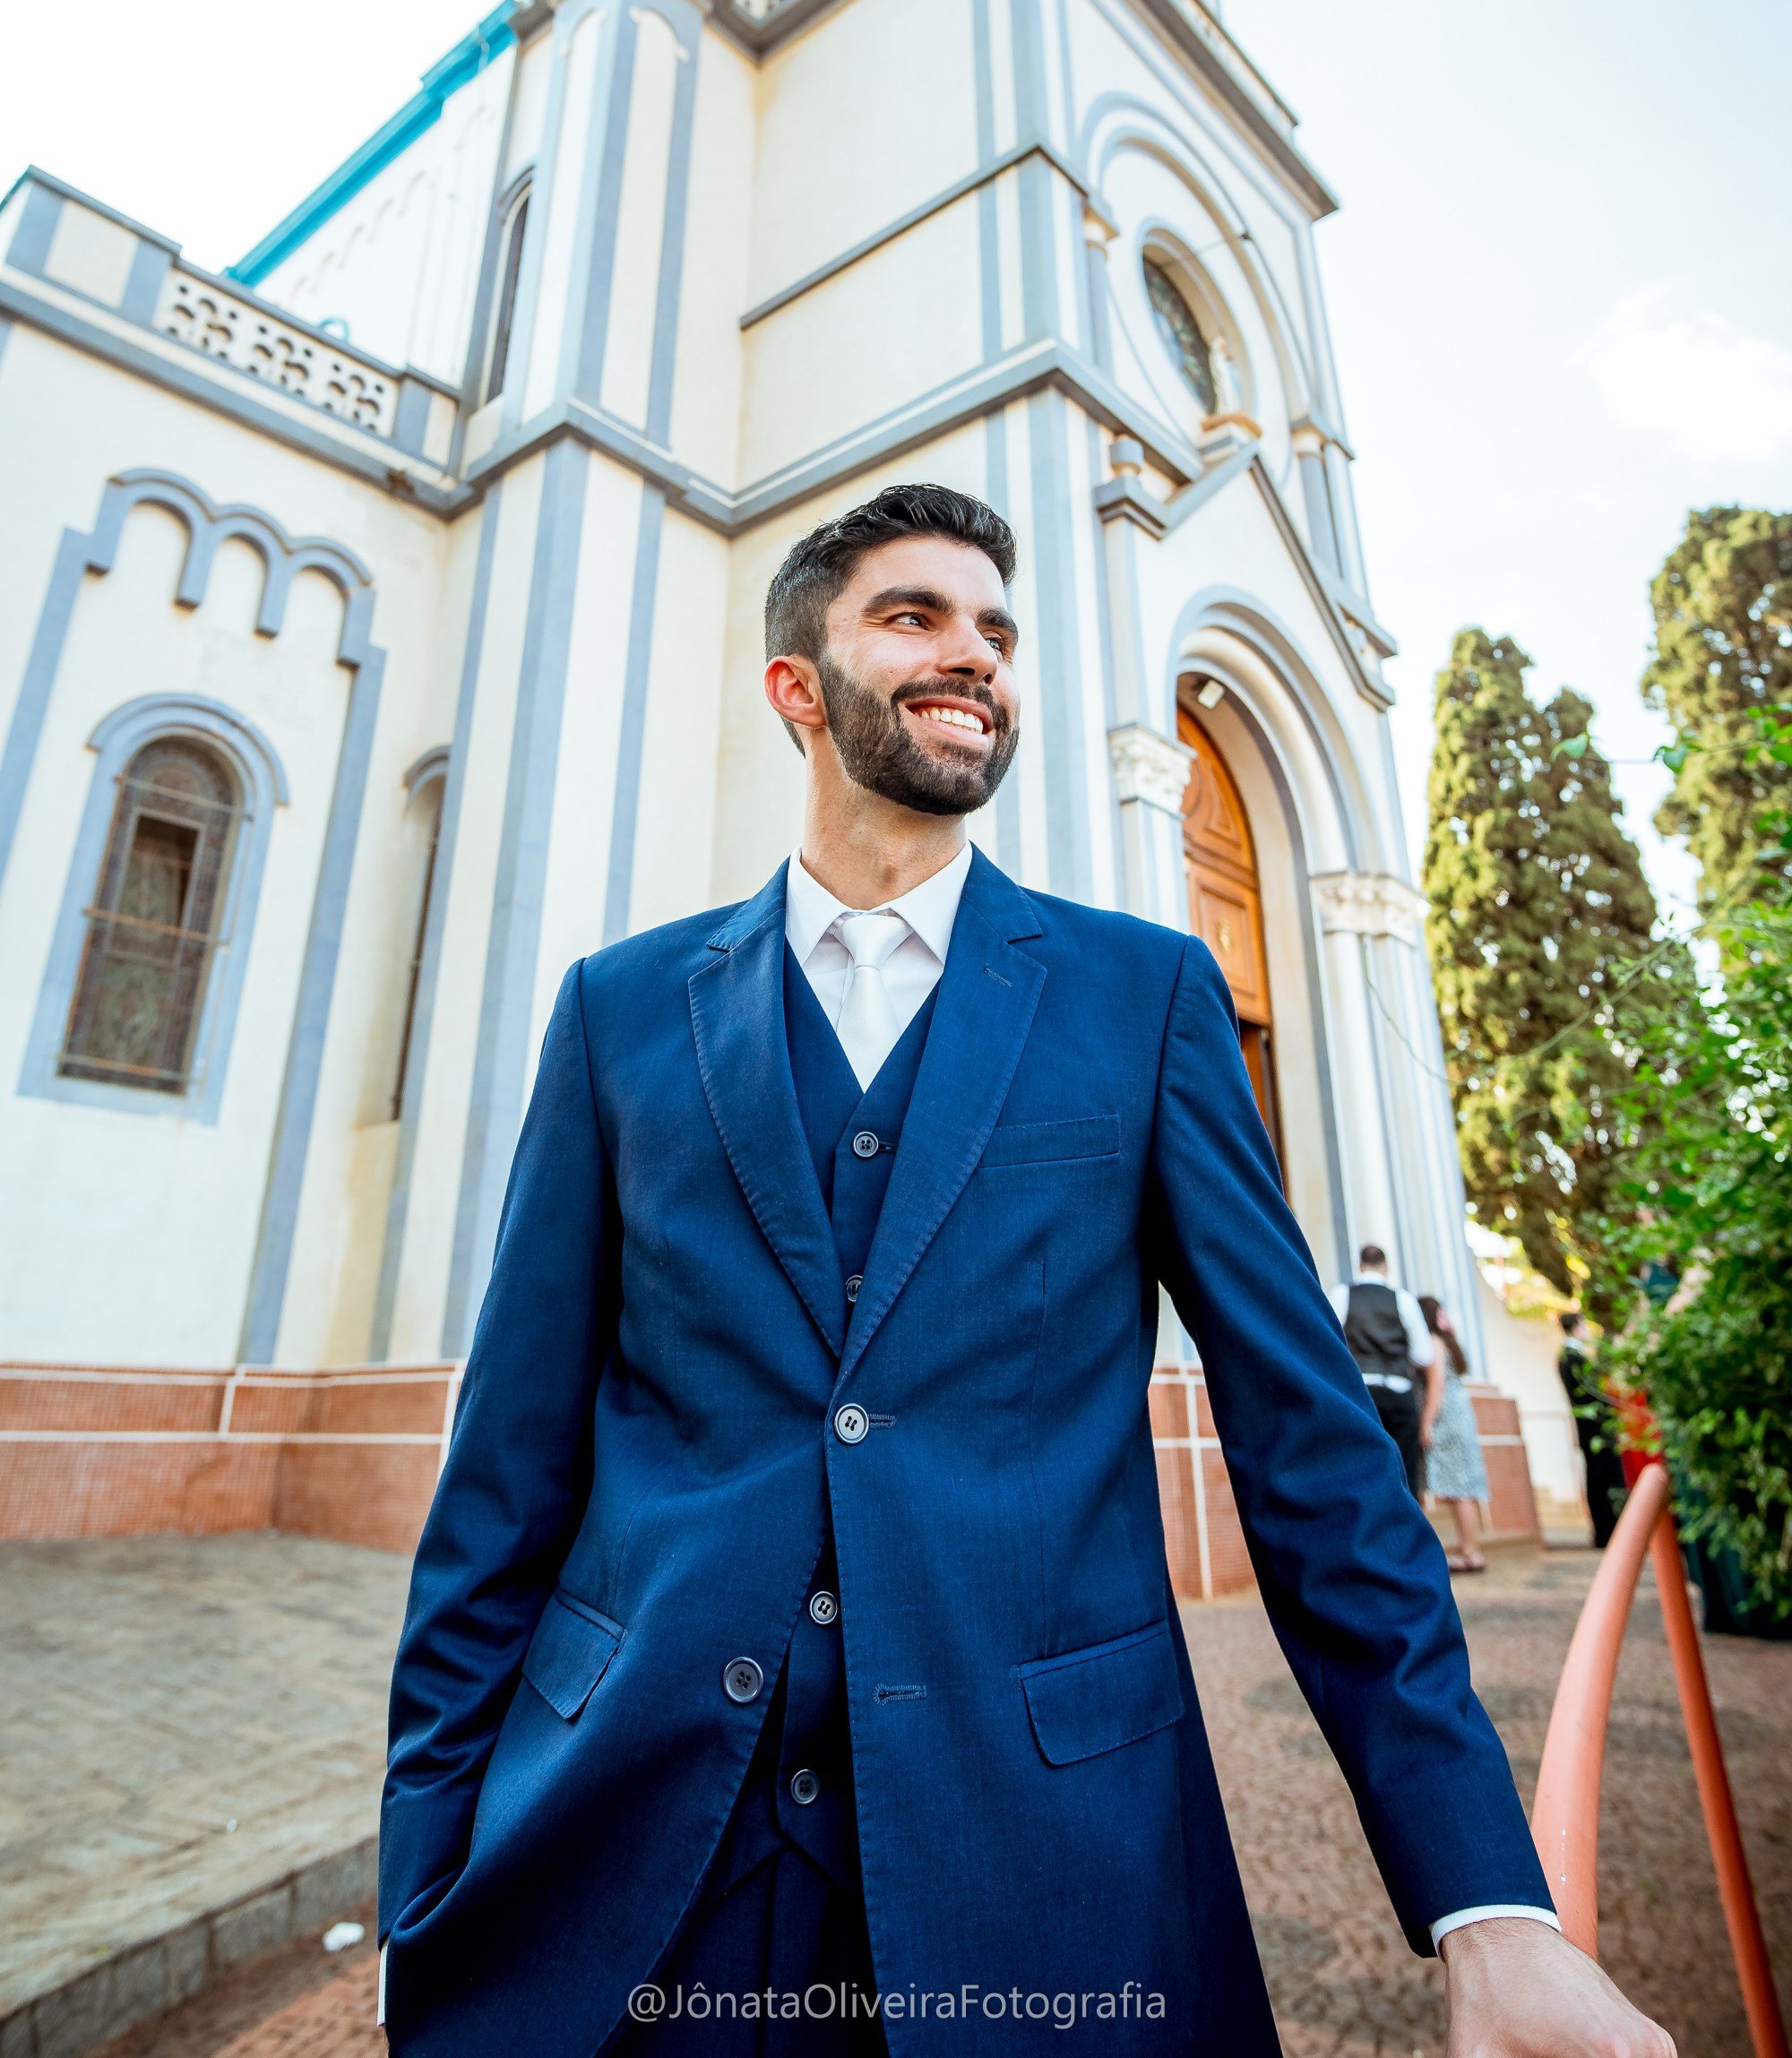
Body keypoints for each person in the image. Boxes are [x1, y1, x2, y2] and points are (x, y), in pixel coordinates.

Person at [379, 483, 1673, 2057]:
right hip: (637, 1844)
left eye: (996, 629)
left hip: (1046, 1862)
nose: (973, 654)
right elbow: (502, 1483)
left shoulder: (1146, 998)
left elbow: (1318, 1458)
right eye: (914, 616)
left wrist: (1489, 1902)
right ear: (799, 685)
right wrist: (418, 1889)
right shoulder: (620, 1012)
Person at [1328, 1243, 1441, 1502]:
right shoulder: (1403, 1299)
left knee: (1362, 1465)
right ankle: (1409, 1535)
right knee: (1404, 1470)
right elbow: (1423, 1355)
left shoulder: (1343, 1294)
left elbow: (1330, 1341)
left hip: (1360, 1392)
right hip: (1399, 1391)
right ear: (1386, 1268)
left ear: (1360, 1266)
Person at [1418, 1296, 1489, 1573]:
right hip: (1462, 1414)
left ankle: (1470, 1550)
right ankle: (1470, 1549)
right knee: (1463, 1489)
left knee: (1458, 1489)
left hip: (1447, 1417)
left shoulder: (1434, 1343)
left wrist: (1426, 1422)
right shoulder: (1450, 1341)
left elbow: (1436, 1387)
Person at [1559, 1311, 1629, 1550]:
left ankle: (1606, 1531)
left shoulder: (1570, 1356)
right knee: (1605, 1479)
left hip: (1590, 1428)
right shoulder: (1572, 1357)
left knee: (1598, 1479)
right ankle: (1609, 1531)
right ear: (1577, 1328)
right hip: (1594, 1428)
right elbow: (1590, 1393)